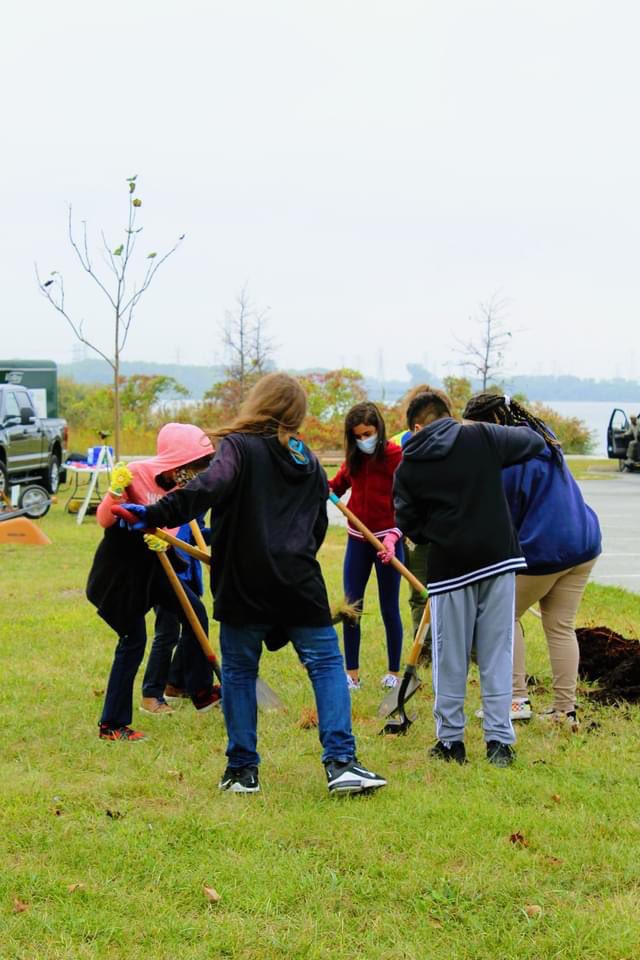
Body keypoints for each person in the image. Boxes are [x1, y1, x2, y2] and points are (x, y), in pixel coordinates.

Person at [119, 373, 387, 796]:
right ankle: (342, 763)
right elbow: (317, 524)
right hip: (299, 580)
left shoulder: (238, 448)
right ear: (295, 413)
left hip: (245, 583)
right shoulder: (306, 456)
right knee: (326, 667)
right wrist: (295, 554)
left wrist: (154, 512)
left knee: (241, 673)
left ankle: (243, 771)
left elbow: (209, 485)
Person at [394, 390, 545, 766]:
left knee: (451, 657)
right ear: (450, 416)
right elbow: (532, 442)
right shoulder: (480, 436)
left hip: (450, 568)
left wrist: (433, 532)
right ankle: (498, 743)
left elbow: (406, 520)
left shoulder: (408, 463)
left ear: (416, 426)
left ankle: (450, 743)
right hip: (497, 557)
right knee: (497, 652)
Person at [463, 393, 602, 729]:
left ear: (493, 424)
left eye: (475, 430)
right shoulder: (541, 434)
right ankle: (564, 711)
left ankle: (514, 699)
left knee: (498, 617)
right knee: (560, 627)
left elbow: (502, 522)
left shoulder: (511, 460)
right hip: (583, 543)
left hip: (546, 550)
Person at [87, 423, 218, 741]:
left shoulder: (182, 491)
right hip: (122, 569)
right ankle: (112, 725)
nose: (194, 474)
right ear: (176, 459)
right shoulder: (135, 471)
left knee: (194, 611)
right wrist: (115, 489)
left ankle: (200, 690)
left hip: (156, 563)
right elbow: (106, 519)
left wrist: (166, 540)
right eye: (192, 465)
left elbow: (171, 525)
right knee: (133, 641)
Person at [328, 402, 404, 690]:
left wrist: (394, 536)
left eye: (367, 434)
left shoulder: (396, 457)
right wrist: (320, 488)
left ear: (379, 430)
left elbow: (408, 502)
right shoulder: (354, 459)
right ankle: (352, 674)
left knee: (389, 608)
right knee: (351, 608)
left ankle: (394, 674)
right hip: (358, 541)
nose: (363, 440)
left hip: (388, 544)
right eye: (357, 436)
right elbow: (335, 486)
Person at [140, 514, 211, 714]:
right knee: (168, 632)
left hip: (187, 574)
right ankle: (151, 694)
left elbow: (196, 536)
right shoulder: (167, 499)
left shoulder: (195, 501)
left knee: (193, 626)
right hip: (166, 573)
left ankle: (176, 683)